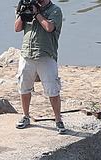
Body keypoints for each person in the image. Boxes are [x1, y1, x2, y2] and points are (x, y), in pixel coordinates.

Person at [14, 0, 65, 133]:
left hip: (45, 55)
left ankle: (58, 120)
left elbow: (49, 27)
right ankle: (25, 116)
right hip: (26, 54)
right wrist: (22, 13)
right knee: (24, 87)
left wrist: (37, 14)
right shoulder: (28, 7)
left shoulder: (55, 10)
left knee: (52, 90)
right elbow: (17, 28)